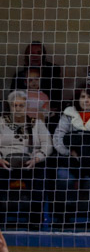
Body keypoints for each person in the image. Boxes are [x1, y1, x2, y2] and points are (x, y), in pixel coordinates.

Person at [52, 87, 90, 222]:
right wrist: (69, 152)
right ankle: (65, 213)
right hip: (70, 159)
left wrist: (87, 151)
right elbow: (58, 138)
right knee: (64, 177)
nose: (86, 100)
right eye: (83, 97)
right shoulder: (67, 115)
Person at [1, 90, 53, 228]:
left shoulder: (37, 123)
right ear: (10, 106)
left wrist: (37, 158)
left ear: (26, 106)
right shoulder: (1, 122)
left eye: (21, 105)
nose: (18, 108)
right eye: (14, 105)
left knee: (40, 178)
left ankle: (35, 222)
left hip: (31, 164)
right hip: (5, 164)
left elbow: (48, 144)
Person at [9, 41, 63, 107]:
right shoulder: (19, 77)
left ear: (43, 56)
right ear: (26, 57)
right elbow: (13, 101)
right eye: (31, 53)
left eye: (39, 53)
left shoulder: (53, 73)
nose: (35, 56)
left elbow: (56, 100)